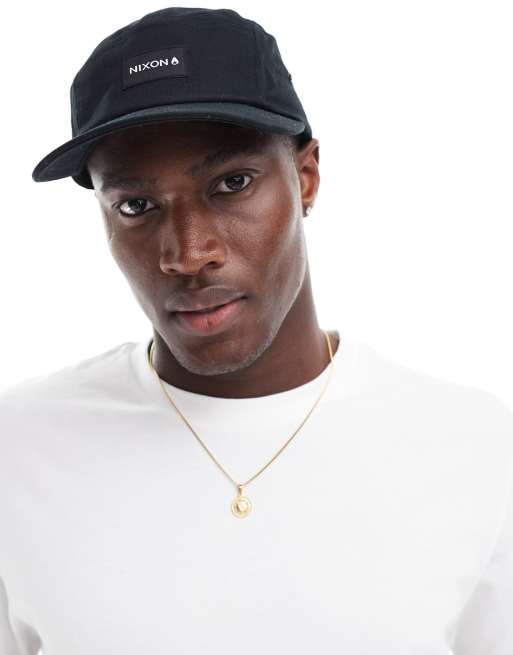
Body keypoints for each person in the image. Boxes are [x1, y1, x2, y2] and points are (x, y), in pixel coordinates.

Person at [1, 7, 512, 655]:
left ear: (306, 176)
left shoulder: (476, 449)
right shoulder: (19, 449)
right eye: (136, 205)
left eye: (231, 184)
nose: (188, 254)